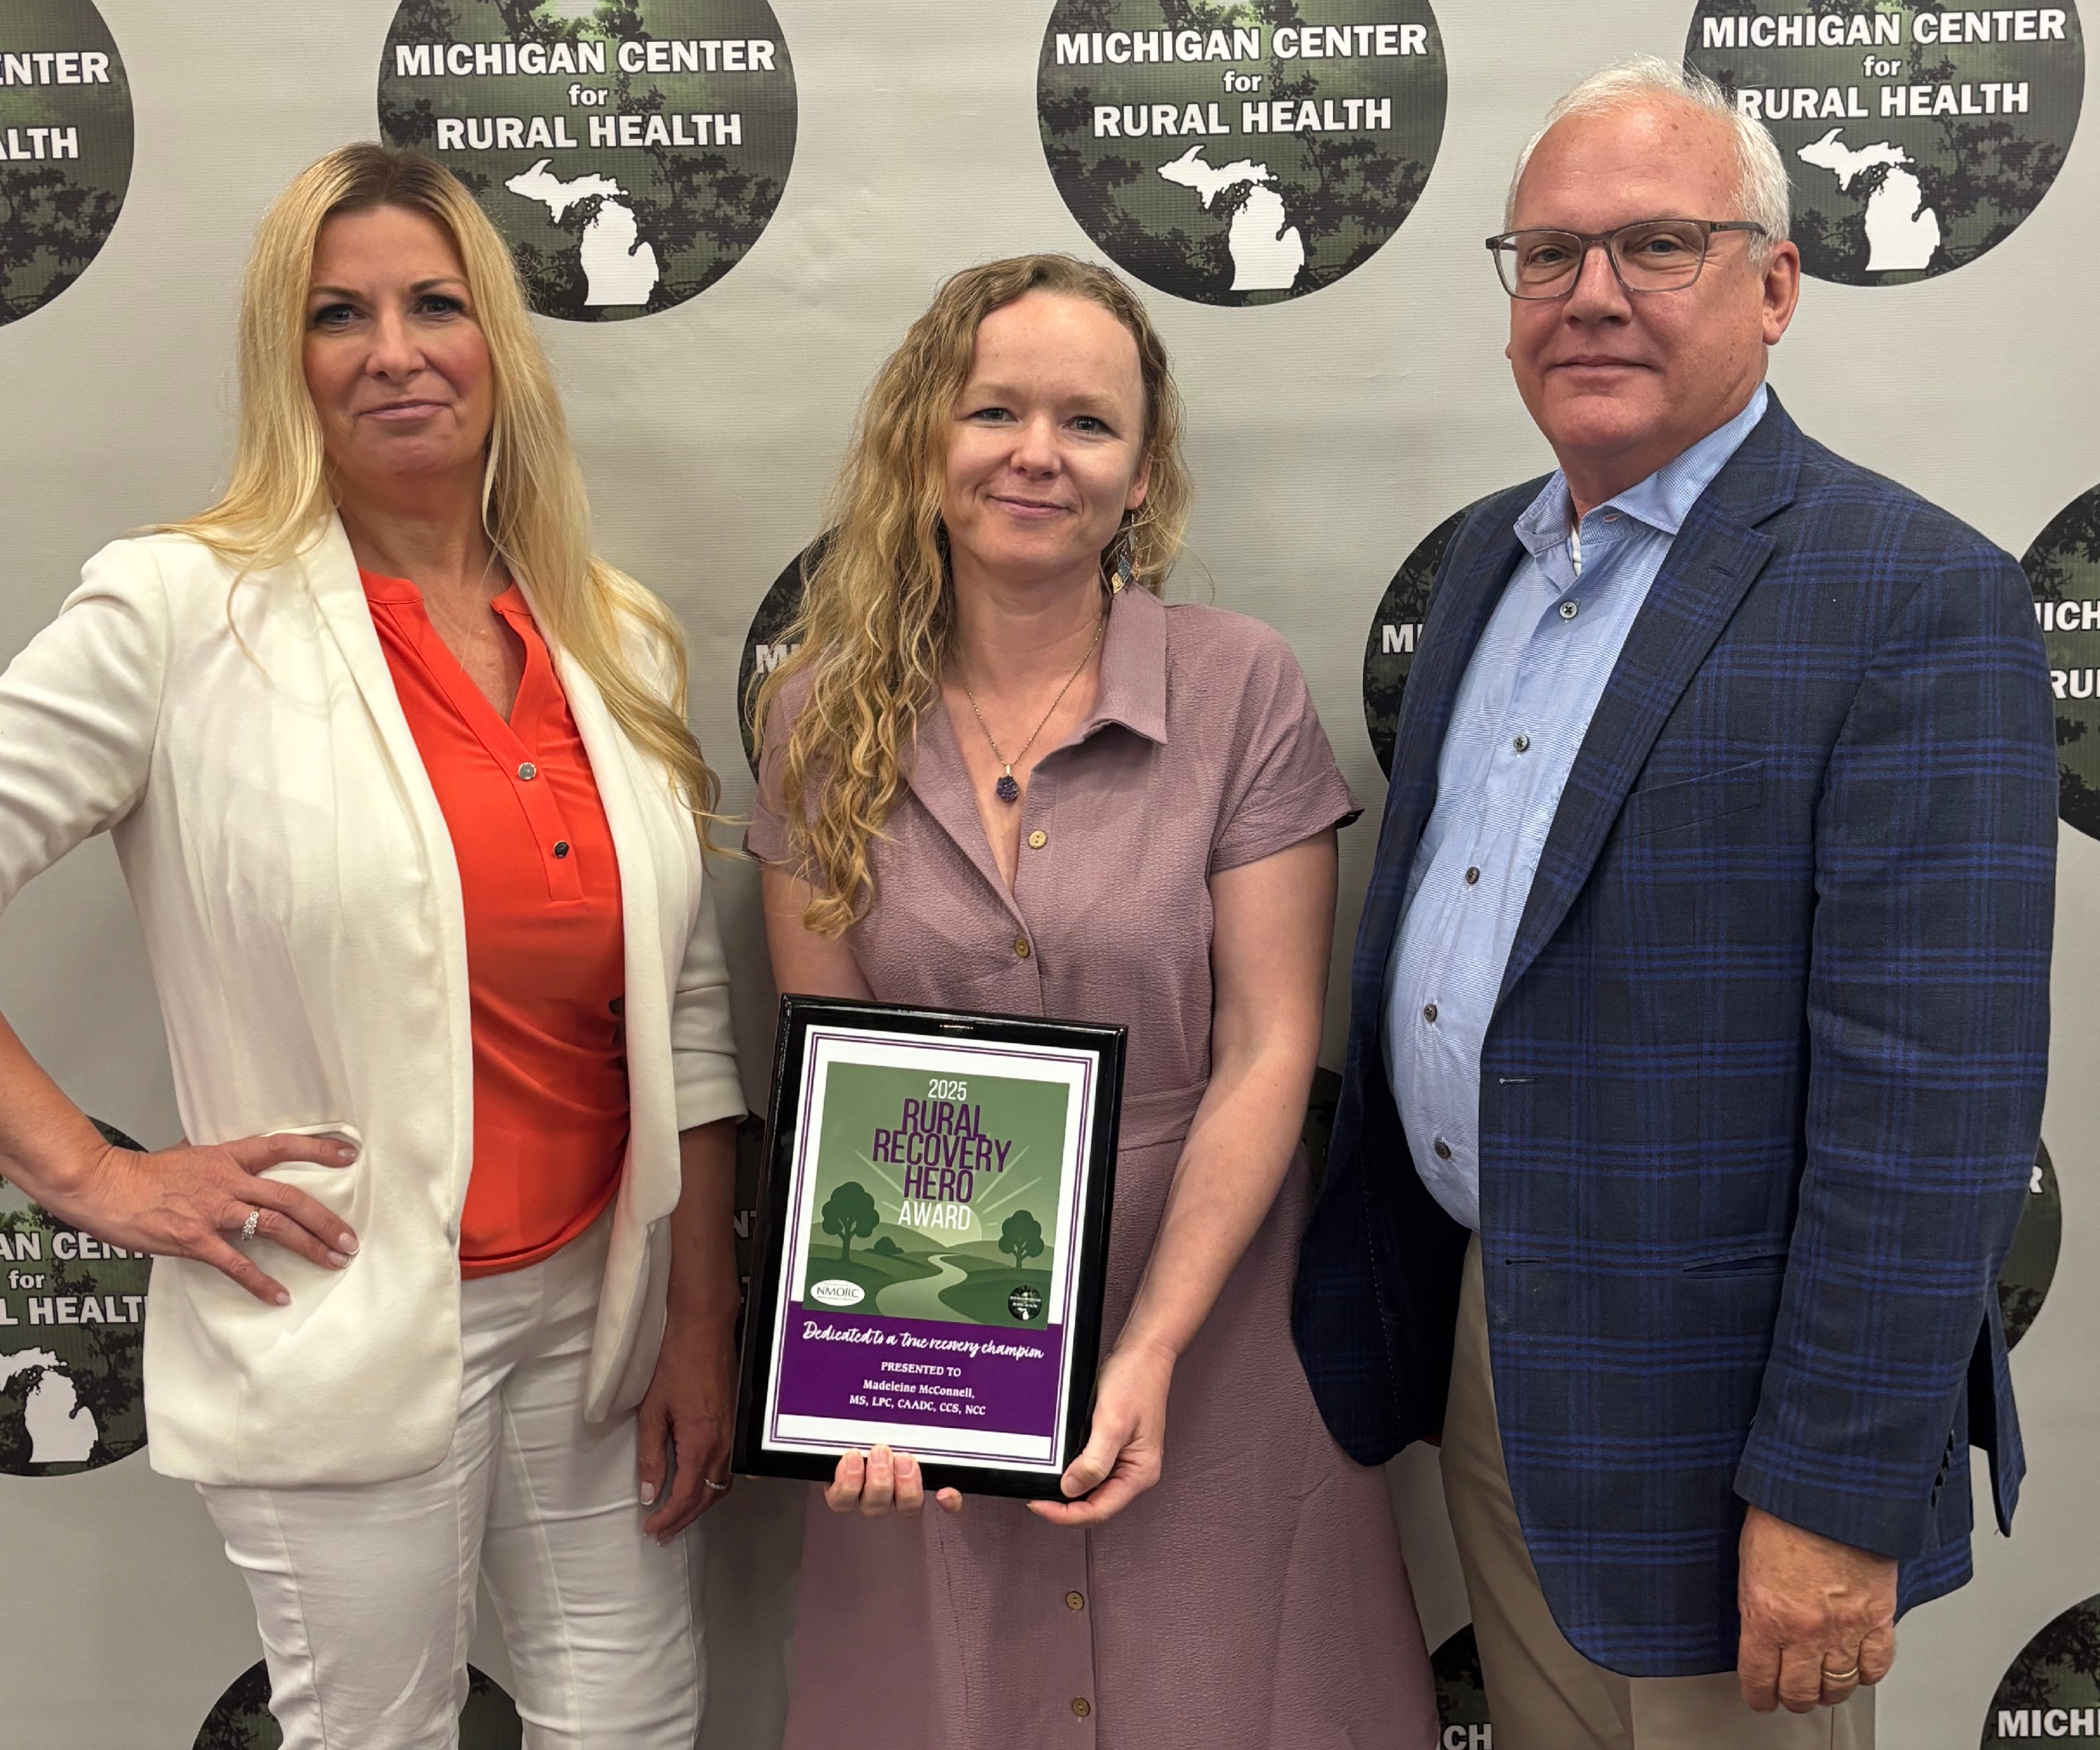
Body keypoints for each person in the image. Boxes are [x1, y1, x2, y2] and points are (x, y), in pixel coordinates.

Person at [1294, 57, 2055, 1750]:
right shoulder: (1496, 558)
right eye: (1546, 257)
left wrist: (1833, 1496)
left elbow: (1933, 1105)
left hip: (1729, 1420)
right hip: (1496, 1339)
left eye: (1654, 246)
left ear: (1774, 286)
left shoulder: (1910, 596)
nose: (1589, 297)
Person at [0, 145, 746, 1749]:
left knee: (636, 1724)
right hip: (338, 1317)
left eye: (434, 303)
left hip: (596, 1322)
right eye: (339, 314)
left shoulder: (610, 631)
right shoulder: (179, 610)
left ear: (501, 344)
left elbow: (678, 1005)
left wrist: (696, 1319)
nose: (393, 349)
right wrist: (85, 1172)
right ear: (291, 360)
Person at [750, 253, 1439, 1750]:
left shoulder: (1238, 684)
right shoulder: (813, 713)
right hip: (933, 1338)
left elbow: (1270, 1044)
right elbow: (833, 1078)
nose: (1036, 455)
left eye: (1087, 423)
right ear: (923, 441)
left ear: (1142, 477)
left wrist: (1148, 1346)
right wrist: (861, 1368)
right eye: (993, 409)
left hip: (1214, 1330)